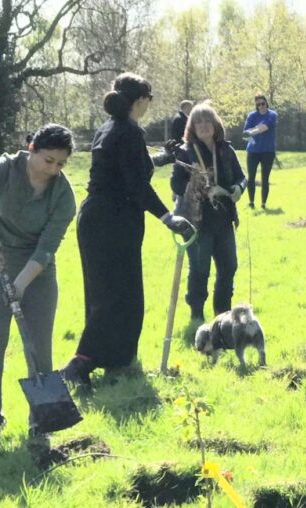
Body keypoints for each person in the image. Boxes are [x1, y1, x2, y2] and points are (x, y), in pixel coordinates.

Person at [61, 73, 194, 385]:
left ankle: (118, 362)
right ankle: (80, 363)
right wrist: (168, 217)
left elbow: (130, 169)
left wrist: (163, 157)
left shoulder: (108, 128)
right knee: (120, 297)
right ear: (140, 100)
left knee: (104, 293)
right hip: (115, 220)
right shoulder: (130, 131)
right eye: (149, 100)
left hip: (96, 217)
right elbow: (136, 185)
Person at [0, 124, 78, 441]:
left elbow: (47, 248)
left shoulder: (64, 196)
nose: (54, 169)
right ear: (32, 148)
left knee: (38, 348)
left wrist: (21, 284)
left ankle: (40, 418)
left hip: (38, 273)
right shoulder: (5, 168)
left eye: (61, 164)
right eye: (49, 160)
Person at [170, 102, 246, 323]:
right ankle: (196, 316)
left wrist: (238, 189)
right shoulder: (185, 152)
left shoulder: (226, 149)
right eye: (198, 121)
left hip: (223, 220)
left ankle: (223, 316)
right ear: (192, 126)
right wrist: (191, 178)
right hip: (197, 223)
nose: (203, 125)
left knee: (229, 266)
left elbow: (242, 177)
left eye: (207, 121)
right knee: (200, 270)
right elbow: (175, 187)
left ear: (215, 124)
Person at [243, 93, 277, 209]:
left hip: (268, 151)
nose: (261, 106)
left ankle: (263, 204)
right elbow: (245, 133)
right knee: (251, 177)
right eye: (258, 104)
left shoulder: (272, 115)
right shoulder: (252, 116)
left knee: (265, 178)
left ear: (266, 103)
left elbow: (265, 127)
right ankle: (251, 202)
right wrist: (253, 133)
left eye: (262, 103)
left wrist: (253, 131)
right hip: (253, 151)